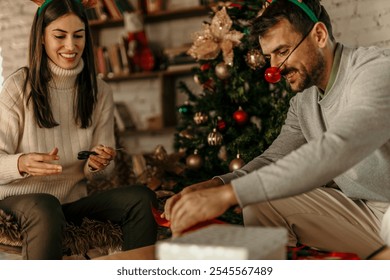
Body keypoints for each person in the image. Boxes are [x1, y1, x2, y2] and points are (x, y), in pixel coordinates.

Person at [163, 0, 390, 260]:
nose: (275, 68)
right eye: (269, 56)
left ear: (319, 35)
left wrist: (229, 195)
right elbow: (272, 159)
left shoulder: (375, 70)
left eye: (282, 51)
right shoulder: (304, 103)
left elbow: (340, 146)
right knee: (260, 201)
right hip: (365, 214)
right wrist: (215, 185)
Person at [0, 0, 157, 259]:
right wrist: (21, 163)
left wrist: (97, 164)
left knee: (141, 198)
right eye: (60, 36)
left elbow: (100, 176)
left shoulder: (100, 91)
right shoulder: (18, 86)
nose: (71, 46)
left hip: (69, 202)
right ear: (41, 38)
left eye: (79, 35)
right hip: (18, 202)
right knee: (45, 205)